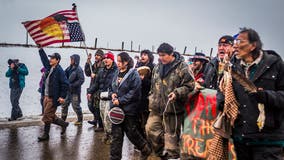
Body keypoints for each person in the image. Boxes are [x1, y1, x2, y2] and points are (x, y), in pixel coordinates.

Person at [222, 28, 284, 159]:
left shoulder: (275, 64)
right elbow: (224, 91)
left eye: (240, 41)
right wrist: (223, 102)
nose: (235, 45)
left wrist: (266, 96)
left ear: (253, 45)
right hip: (241, 137)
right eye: (235, 41)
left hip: (267, 139)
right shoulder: (233, 67)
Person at [146, 43, 195, 159]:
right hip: (156, 108)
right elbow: (153, 85)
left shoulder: (182, 67)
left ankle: (172, 155)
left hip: (173, 109)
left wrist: (177, 93)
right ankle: (161, 153)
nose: (161, 58)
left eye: (163, 55)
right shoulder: (157, 67)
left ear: (171, 54)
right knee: (150, 130)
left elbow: (190, 85)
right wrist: (151, 97)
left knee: (171, 141)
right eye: (159, 55)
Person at [110, 52, 152, 160]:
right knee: (116, 137)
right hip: (116, 111)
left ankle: (145, 148)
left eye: (120, 61)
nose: (118, 63)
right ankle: (114, 158)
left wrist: (120, 101)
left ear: (126, 62)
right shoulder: (116, 73)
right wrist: (112, 94)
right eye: (117, 61)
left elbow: (134, 92)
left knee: (132, 133)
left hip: (129, 110)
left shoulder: (134, 74)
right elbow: (111, 87)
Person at [37, 48, 69, 142]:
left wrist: (62, 97)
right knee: (51, 116)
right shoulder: (50, 67)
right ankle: (64, 124)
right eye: (50, 58)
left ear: (57, 60)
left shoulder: (59, 71)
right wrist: (40, 50)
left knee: (47, 116)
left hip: (52, 98)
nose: (50, 59)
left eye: (53, 58)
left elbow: (65, 84)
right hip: (46, 97)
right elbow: (44, 60)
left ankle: (46, 135)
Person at [87, 51, 118, 144]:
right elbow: (96, 84)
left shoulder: (116, 71)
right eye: (105, 58)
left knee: (108, 118)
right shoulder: (101, 71)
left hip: (110, 98)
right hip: (101, 97)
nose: (106, 60)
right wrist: (90, 92)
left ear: (112, 59)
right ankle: (107, 134)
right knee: (102, 117)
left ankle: (112, 136)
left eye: (108, 58)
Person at [135, 49, 155, 138]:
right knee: (137, 120)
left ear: (149, 57)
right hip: (137, 97)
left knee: (146, 120)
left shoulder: (153, 67)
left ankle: (147, 140)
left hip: (147, 98)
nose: (142, 56)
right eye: (142, 54)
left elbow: (154, 84)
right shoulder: (138, 66)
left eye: (145, 55)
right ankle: (140, 139)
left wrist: (144, 80)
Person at [61, 54, 85, 125]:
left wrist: (72, 85)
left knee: (76, 106)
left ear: (76, 61)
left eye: (72, 59)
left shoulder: (79, 69)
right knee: (64, 105)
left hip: (75, 91)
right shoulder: (69, 68)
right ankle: (62, 121)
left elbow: (81, 80)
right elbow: (63, 74)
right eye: (70, 59)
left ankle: (80, 120)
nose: (71, 61)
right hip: (68, 91)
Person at [84, 49, 105, 130]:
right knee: (90, 105)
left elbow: (102, 76)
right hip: (92, 87)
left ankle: (99, 121)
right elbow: (87, 73)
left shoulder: (103, 65)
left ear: (102, 57)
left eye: (98, 55)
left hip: (99, 88)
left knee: (96, 107)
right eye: (95, 55)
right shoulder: (94, 65)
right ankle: (96, 119)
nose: (96, 56)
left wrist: (95, 76)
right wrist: (87, 62)